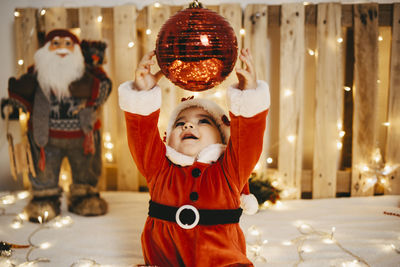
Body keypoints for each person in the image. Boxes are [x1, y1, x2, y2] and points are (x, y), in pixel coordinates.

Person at [118, 48, 270, 266]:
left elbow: (248, 139)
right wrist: (142, 93)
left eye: (203, 121)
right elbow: (141, 134)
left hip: (222, 260)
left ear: (222, 136)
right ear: (168, 139)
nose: (188, 125)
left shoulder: (229, 172)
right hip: (165, 260)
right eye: (180, 123)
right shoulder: (159, 169)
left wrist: (249, 95)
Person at [7, 29, 111, 222]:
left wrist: (94, 79)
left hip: (83, 137)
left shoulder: (89, 73)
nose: (62, 48)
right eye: (56, 43)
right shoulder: (36, 74)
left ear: (77, 50)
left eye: (67, 43)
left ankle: (84, 195)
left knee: (85, 170)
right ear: (46, 49)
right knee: (43, 171)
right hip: (45, 137)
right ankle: (44, 198)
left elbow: (104, 89)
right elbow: (21, 97)